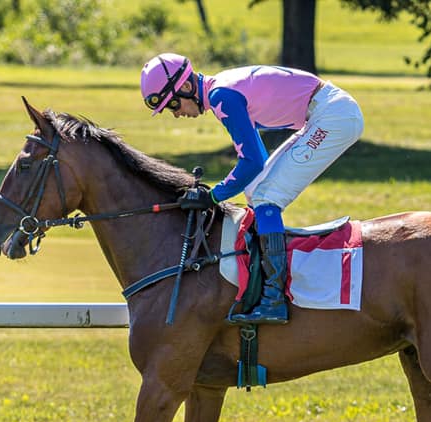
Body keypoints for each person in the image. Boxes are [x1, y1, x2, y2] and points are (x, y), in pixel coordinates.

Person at [140, 53, 364, 324]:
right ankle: (265, 285)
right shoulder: (219, 92)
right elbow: (255, 158)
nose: (175, 113)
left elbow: (252, 161)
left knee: (267, 197)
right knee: (257, 191)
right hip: (326, 112)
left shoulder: (223, 96)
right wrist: (218, 192)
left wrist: (213, 196)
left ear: (186, 87)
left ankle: (274, 299)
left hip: (333, 116)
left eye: (172, 104)